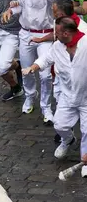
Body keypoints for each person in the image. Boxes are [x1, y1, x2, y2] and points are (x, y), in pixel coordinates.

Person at [2, 0, 62, 123]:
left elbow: (61, 3)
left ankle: (46, 107)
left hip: (45, 34)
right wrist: (11, 10)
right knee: (26, 70)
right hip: (26, 34)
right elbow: (22, 5)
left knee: (45, 75)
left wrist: (57, 24)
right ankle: (29, 97)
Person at [23, 17, 87, 175]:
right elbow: (46, 59)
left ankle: (84, 163)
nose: (54, 35)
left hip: (86, 98)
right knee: (59, 125)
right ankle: (68, 139)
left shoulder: (86, 44)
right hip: (67, 96)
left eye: (56, 32)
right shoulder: (58, 46)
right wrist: (34, 67)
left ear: (66, 33)